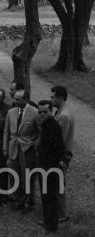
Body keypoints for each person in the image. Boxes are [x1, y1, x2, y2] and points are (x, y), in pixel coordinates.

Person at [3, 89, 40, 213]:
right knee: (14, 174)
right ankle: (18, 199)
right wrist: (5, 148)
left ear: (26, 99)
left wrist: (34, 144)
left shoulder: (35, 113)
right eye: (15, 99)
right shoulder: (11, 112)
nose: (16, 101)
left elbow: (40, 132)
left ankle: (29, 202)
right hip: (13, 148)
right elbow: (6, 132)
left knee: (28, 176)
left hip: (27, 150)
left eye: (19, 99)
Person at [36, 100, 68, 232]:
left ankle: (51, 225)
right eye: (40, 112)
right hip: (45, 164)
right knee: (46, 195)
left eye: (45, 112)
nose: (42, 114)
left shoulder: (53, 126)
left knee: (49, 196)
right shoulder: (47, 124)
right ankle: (48, 221)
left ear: (50, 111)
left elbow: (59, 148)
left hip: (49, 166)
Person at [51, 85, 75, 222]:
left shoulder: (64, 115)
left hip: (61, 156)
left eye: (53, 97)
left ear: (60, 97)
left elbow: (61, 139)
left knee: (57, 182)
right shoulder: (65, 110)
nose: (51, 100)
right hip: (63, 154)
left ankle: (61, 214)